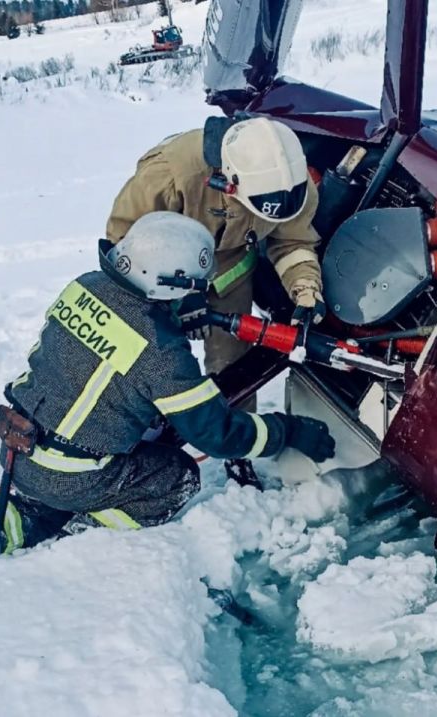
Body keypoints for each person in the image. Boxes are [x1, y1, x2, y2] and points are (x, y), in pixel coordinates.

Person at [0, 212, 335, 585]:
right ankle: (82, 531)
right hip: (71, 472)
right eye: (193, 288)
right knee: (175, 476)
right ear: (169, 286)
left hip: (18, 448)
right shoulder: (161, 354)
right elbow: (218, 435)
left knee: (66, 480)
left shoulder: (85, 286)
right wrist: (289, 431)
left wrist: (169, 314)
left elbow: (114, 344)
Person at [106, 116, 325, 489]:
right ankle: (131, 437)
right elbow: (124, 242)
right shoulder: (171, 173)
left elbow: (292, 241)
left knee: (234, 363)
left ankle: (237, 452)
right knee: (150, 359)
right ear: (228, 182)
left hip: (229, 267)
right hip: (157, 269)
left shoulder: (293, 185)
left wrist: (305, 290)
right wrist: (181, 296)